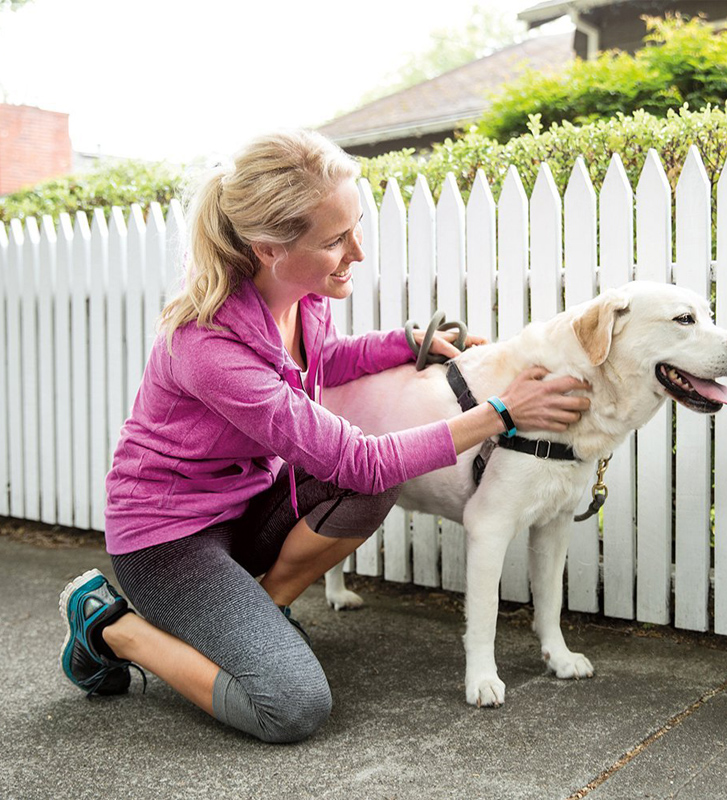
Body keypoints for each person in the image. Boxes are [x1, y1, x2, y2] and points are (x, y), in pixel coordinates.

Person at [59, 130, 590, 743]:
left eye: (356, 227)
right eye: (336, 240)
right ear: (269, 249)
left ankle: (264, 608)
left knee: (376, 485)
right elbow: (358, 460)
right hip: (169, 540)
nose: (357, 252)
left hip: (249, 508)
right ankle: (109, 626)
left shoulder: (304, 297)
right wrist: (501, 412)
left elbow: (324, 361)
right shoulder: (208, 347)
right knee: (291, 706)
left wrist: (403, 342)